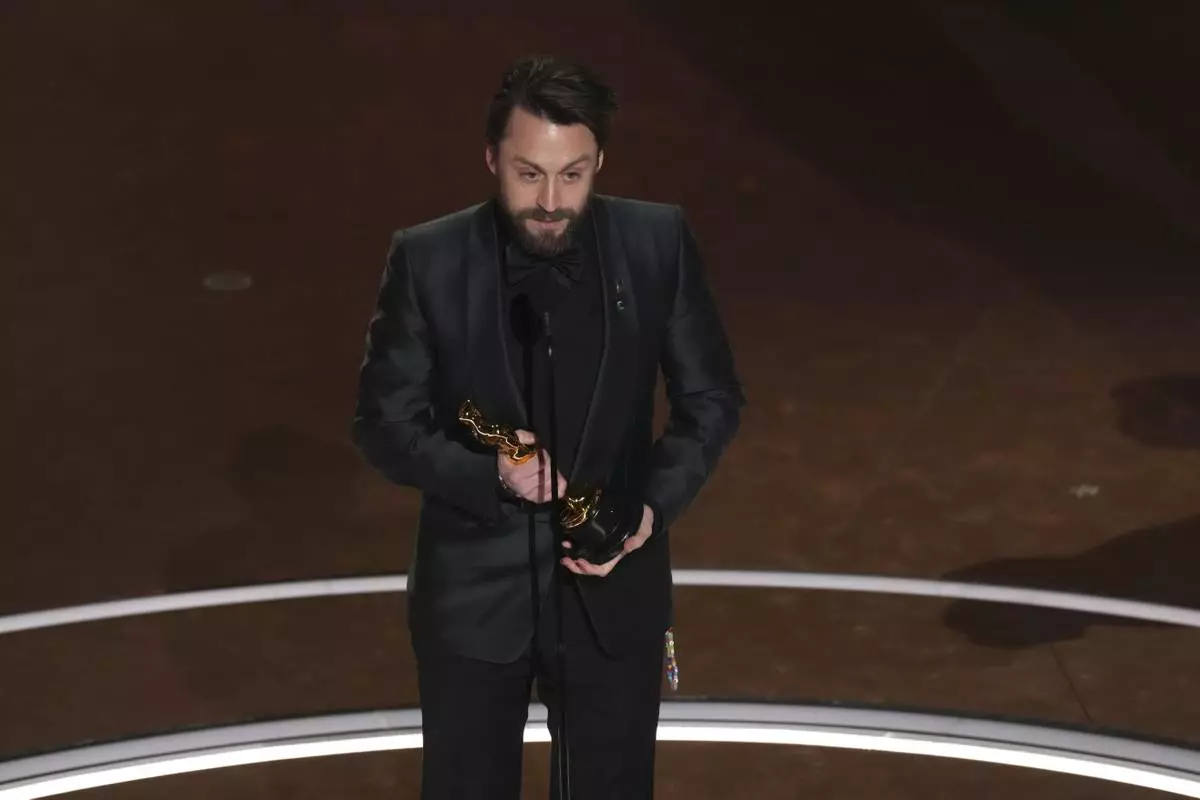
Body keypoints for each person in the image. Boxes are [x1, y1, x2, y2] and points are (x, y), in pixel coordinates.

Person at [352, 53, 744, 800]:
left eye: (573, 175)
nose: (551, 202)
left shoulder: (656, 242)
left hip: (612, 589)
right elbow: (383, 423)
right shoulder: (428, 259)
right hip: (473, 601)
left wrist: (648, 511)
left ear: (600, 164)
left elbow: (711, 397)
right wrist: (490, 473)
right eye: (529, 174)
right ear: (492, 158)